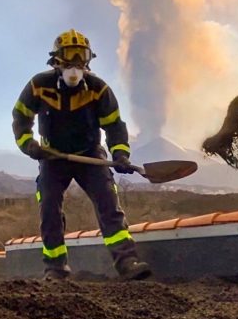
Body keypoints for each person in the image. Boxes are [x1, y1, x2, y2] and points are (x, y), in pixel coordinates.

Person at [12, 29, 152, 281]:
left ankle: (127, 261)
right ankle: (55, 269)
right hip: (52, 157)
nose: (75, 64)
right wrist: (29, 145)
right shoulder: (38, 86)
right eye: (70, 56)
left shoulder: (99, 89)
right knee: (49, 207)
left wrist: (120, 154)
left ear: (88, 60)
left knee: (108, 203)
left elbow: (114, 126)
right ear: (57, 59)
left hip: (90, 155)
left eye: (81, 57)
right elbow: (21, 119)